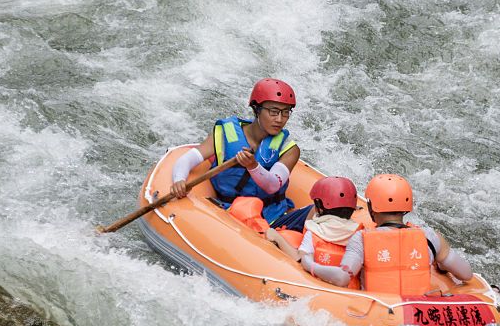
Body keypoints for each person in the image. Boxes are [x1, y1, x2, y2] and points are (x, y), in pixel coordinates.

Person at [170, 78, 311, 231]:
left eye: (285, 113)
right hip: (230, 213)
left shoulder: (289, 149)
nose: (280, 119)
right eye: (274, 112)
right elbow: (188, 159)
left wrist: (253, 166)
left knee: (322, 209)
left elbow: (272, 186)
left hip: (273, 218)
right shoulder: (226, 134)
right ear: (257, 109)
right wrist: (179, 180)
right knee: (245, 208)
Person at [337, 174, 473, 294]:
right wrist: (442, 265)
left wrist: (315, 266)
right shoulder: (431, 238)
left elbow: (343, 277)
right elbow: (466, 274)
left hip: (379, 313)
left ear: (372, 207)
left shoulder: (361, 238)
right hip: (418, 311)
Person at [266, 177, 363, 288]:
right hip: (352, 293)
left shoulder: (315, 232)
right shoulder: (359, 233)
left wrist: (276, 237)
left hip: (318, 286)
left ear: (318, 208)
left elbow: (300, 258)